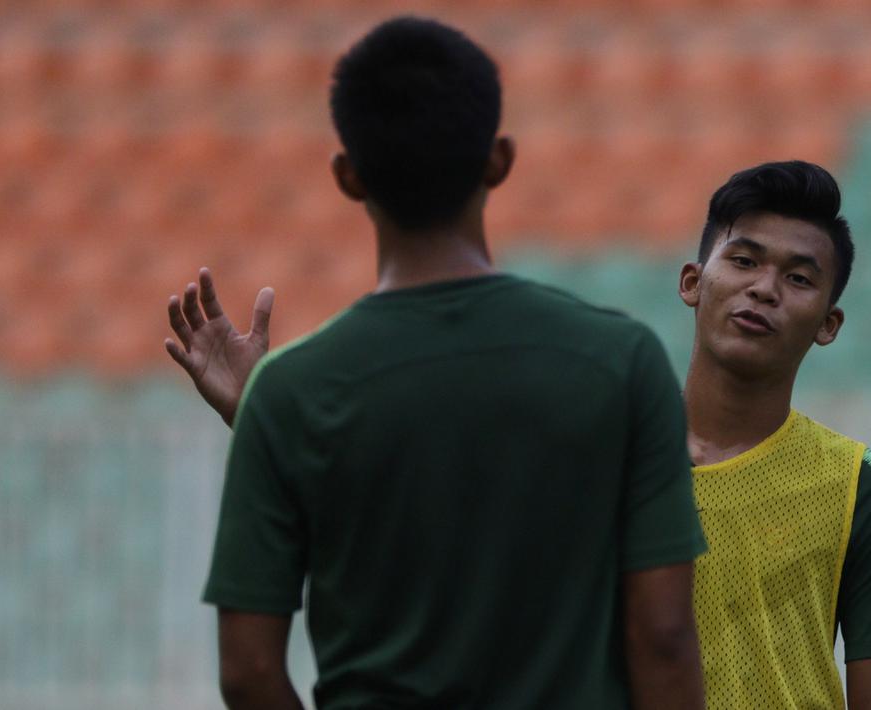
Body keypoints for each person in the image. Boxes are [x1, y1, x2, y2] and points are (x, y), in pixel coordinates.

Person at [163, 17, 707, 710]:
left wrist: (272, 413)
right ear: (499, 160)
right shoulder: (620, 362)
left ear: (347, 175)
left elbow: (246, 672)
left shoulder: (291, 392)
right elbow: (661, 635)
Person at [680, 161, 871, 709]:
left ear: (828, 324)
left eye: (798, 278)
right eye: (744, 260)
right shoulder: (599, 460)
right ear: (693, 282)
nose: (763, 288)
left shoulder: (861, 486)